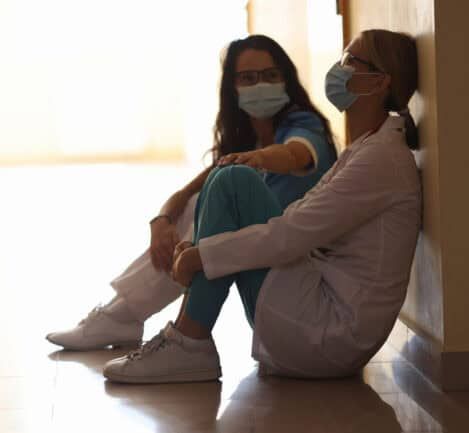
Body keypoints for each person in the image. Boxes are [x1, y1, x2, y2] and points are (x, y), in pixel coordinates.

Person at [101, 28, 422, 383]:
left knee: (233, 181)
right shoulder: (369, 148)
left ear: (378, 83)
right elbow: (294, 222)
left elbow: (291, 231)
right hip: (319, 312)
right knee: (226, 180)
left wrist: (201, 255)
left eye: (349, 61)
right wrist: (196, 243)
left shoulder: (379, 159)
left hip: (332, 336)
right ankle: (179, 336)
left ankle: (186, 340)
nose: (338, 69)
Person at [46, 35, 337, 350]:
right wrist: (161, 221)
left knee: (210, 210)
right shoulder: (246, 141)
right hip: (260, 258)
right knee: (197, 203)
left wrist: (261, 159)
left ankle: (128, 319)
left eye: (270, 75)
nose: (260, 85)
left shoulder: (304, 126)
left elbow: (297, 154)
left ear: (286, 79)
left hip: (298, 273)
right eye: (248, 78)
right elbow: (185, 194)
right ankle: (123, 316)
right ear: (233, 86)